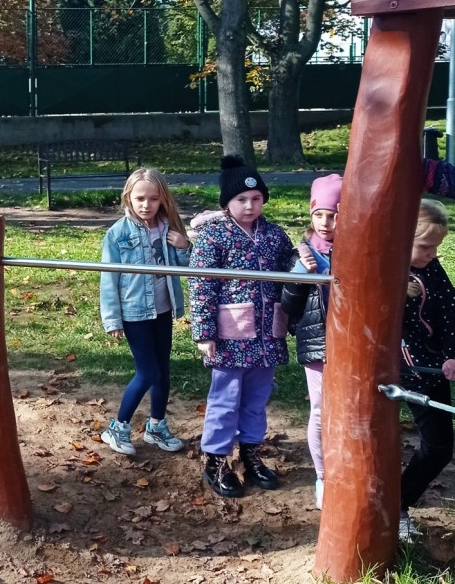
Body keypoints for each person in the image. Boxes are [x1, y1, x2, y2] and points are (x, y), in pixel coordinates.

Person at [188, 155, 294, 498]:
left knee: (257, 399)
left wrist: (306, 257)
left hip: (267, 336)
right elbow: (201, 284)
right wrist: (204, 332)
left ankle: (250, 453)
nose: (250, 206)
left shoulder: (275, 235)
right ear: (226, 202)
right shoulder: (213, 236)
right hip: (229, 337)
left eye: (256, 198)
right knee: (226, 399)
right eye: (241, 199)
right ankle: (216, 461)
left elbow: (292, 273)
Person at [99, 168, 190, 456]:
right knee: (148, 371)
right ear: (128, 197)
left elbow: (188, 267)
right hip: (134, 313)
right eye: (140, 198)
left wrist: (184, 246)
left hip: (162, 310)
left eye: (153, 198)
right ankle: (118, 427)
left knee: (162, 371)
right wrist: (112, 319)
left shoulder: (168, 229)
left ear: (163, 199)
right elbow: (109, 279)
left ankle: (156, 426)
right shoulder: (117, 234)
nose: (146, 205)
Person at [279, 173, 343, 510]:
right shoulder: (303, 253)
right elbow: (289, 306)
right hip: (318, 343)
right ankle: (322, 477)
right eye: (319, 214)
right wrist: (299, 277)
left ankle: (346, 469)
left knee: (349, 409)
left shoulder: (356, 249)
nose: (325, 223)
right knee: (320, 410)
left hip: (351, 344)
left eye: (334, 215)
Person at [397, 199, 455, 541]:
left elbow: (449, 312)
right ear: (403, 237)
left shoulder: (432, 269)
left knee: (439, 447)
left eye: (437, 247)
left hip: (431, 371)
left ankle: (399, 501)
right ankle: (396, 507)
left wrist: (451, 354)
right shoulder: (384, 270)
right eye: (426, 247)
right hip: (398, 372)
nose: (433, 254)